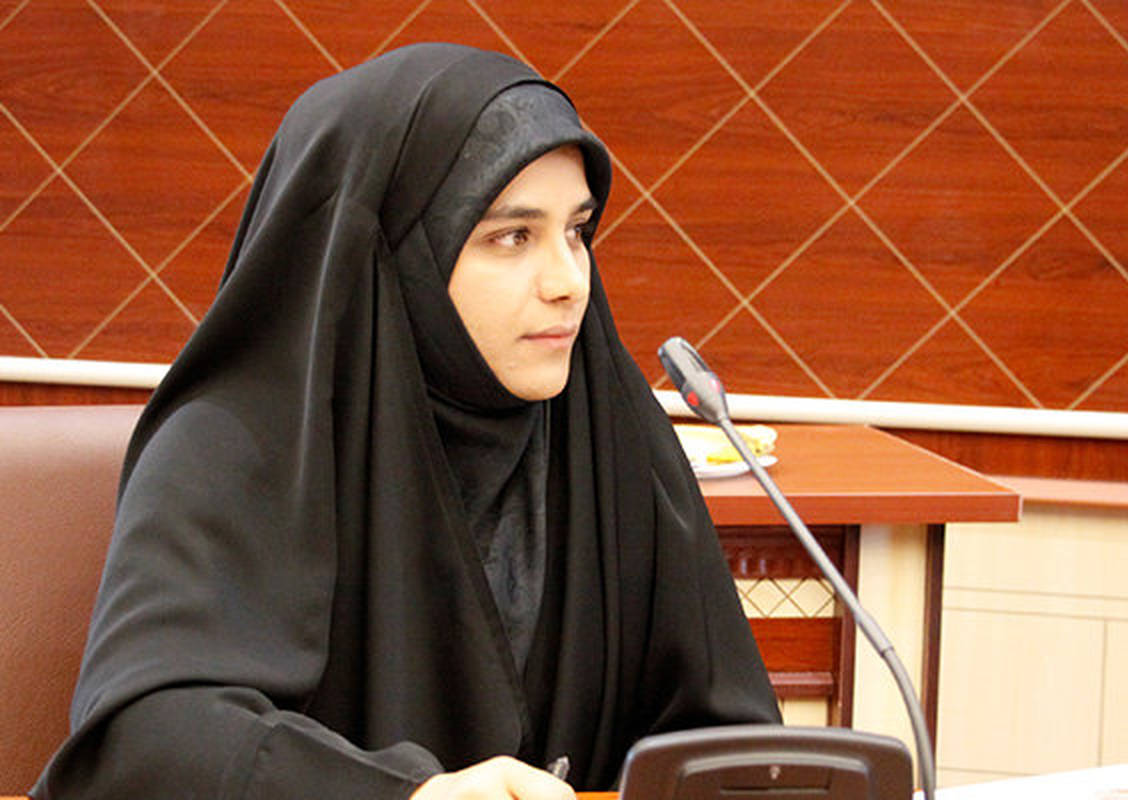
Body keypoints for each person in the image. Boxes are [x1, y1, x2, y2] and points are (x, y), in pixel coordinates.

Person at [32, 43, 781, 799]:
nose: (567, 283)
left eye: (577, 231)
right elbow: (146, 739)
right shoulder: (229, 448)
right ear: (392, 255)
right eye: (512, 237)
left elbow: (725, 741)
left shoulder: (610, 431)